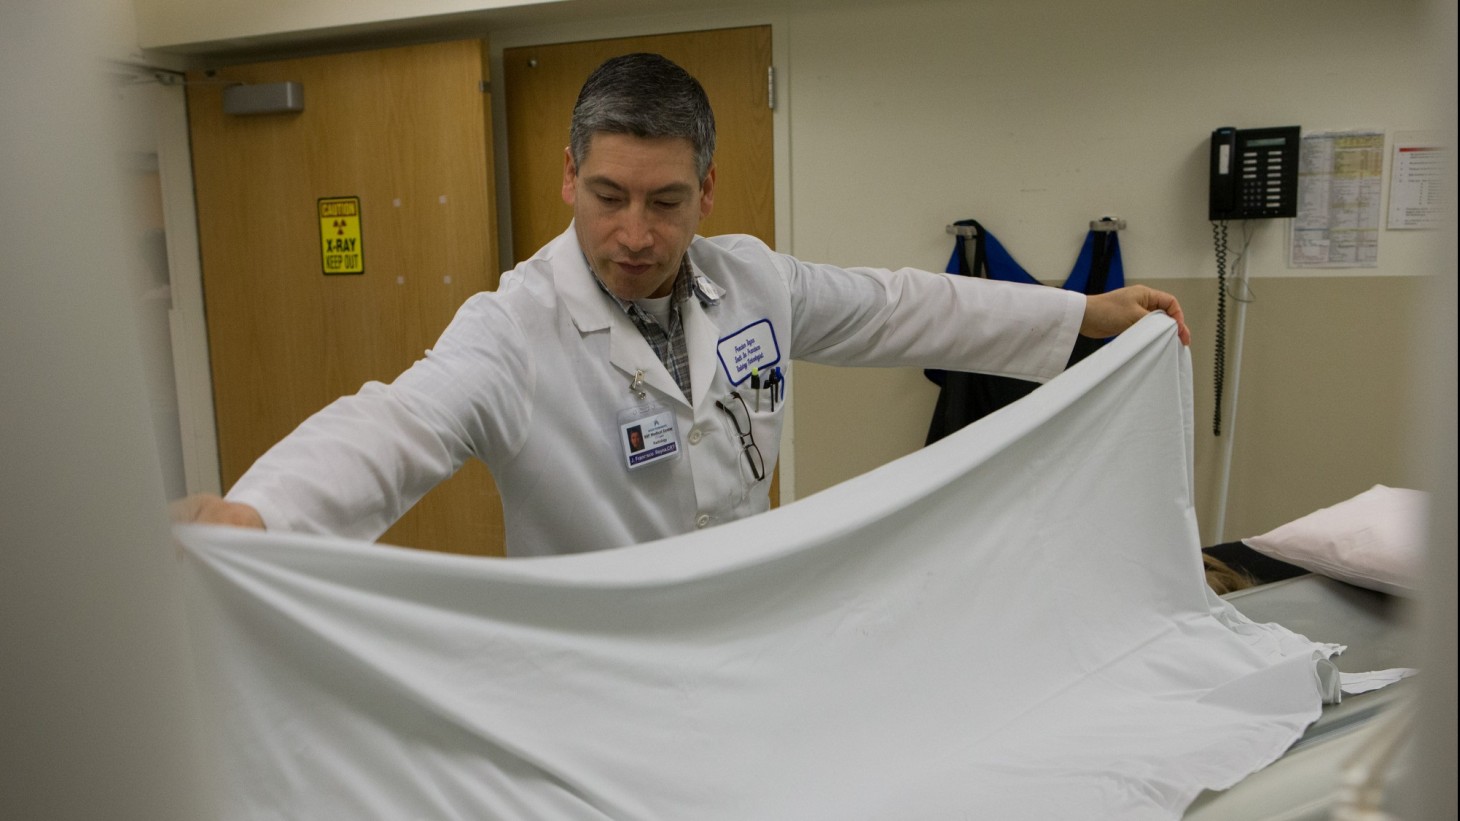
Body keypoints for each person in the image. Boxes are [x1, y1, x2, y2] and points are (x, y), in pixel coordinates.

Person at [174, 53, 1190, 556]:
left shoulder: (753, 280)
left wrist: (1084, 314)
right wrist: (262, 512)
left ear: (705, 191)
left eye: (664, 203)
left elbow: (902, 306)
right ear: (568, 176)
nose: (632, 234)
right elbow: (394, 424)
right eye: (608, 197)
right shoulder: (512, 328)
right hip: (596, 667)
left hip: (744, 620)